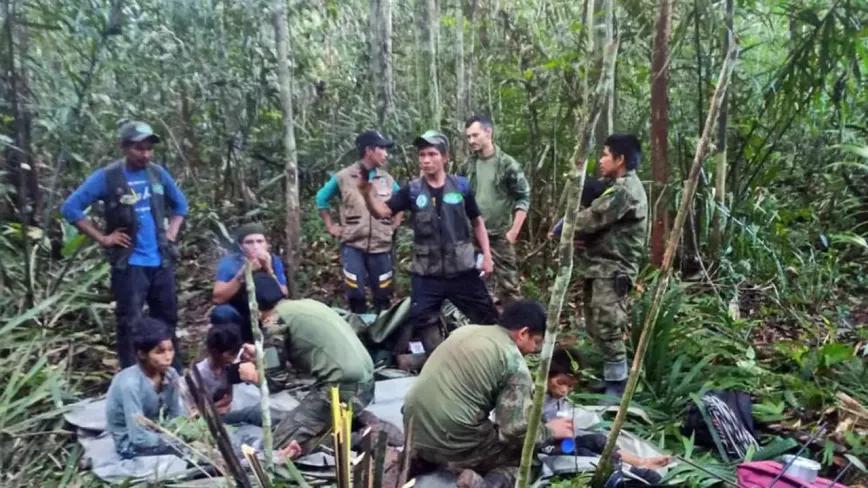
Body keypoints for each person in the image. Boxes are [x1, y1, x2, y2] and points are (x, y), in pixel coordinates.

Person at [402, 300, 575, 488]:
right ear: (523, 333)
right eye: (536, 342)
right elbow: (513, 431)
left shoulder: (465, 331)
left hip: (413, 428)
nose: (534, 350)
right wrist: (549, 431)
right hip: (452, 440)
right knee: (527, 461)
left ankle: (423, 459)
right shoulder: (514, 363)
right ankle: (486, 484)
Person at [359, 130, 499, 356]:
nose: (425, 160)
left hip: (462, 269)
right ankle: (439, 360)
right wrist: (366, 192)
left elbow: (477, 222)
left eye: (432, 154)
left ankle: (493, 358)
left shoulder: (461, 186)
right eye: (422, 155)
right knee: (422, 318)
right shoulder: (412, 191)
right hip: (427, 273)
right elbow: (383, 211)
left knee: (487, 316)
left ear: (444, 158)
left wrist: (487, 257)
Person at [61, 121, 188, 369]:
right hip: (129, 264)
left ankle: (173, 373)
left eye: (149, 149)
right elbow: (70, 208)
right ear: (124, 147)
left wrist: (171, 233)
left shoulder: (157, 174)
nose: (146, 154)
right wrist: (103, 238)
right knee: (130, 322)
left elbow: (180, 205)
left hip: (160, 260)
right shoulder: (108, 177)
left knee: (167, 318)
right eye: (139, 149)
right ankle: (133, 375)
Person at [572, 134, 648, 398]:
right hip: (600, 266)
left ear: (620, 159)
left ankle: (618, 387)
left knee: (608, 325)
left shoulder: (624, 190)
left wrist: (566, 225)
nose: (601, 160)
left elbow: (591, 218)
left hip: (614, 269)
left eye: (605, 155)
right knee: (595, 323)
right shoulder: (615, 185)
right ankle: (610, 377)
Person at [255, 297, 375, 459]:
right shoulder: (307, 304)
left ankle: (359, 440)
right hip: (366, 382)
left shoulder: (273, 320)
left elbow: (275, 381)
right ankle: (357, 427)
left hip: (341, 387)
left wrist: (254, 375)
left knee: (276, 447)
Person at [540, 348, 670, 478]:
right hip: (542, 446)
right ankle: (622, 473)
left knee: (598, 440)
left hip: (562, 442)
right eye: (561, 383)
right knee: (582, 453)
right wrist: (549, 431)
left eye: (570, 386)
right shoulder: (533, 398)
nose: (564, 390)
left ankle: (640, 462)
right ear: (546, 374)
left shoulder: (558, 399)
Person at [316, 130, 402, 313]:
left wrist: (394, 225)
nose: (386, 154)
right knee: (355, 292)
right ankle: (358, 328)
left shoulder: (387, 179)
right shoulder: (343, 177)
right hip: (353, 244)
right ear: (369, 150)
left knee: (383, 292)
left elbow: (400, 201)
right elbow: (321, 199)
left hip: (381, 246)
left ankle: (382, 332)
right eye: (382, 149)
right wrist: (330, 226)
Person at [462, 115, 531, 306]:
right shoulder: (468, 165)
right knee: (474, 285)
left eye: (475, 135)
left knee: (509, 286)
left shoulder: (507, 164)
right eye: (468, 137)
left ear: (488, 132)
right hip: (473, 235)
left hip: (500, 235)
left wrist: (513, 232)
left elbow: (523, 196)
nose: (471, 141)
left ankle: (516, 329)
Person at [105, 317, 184, 458]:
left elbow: (176, 414)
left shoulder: (171, 374)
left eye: (170, 350)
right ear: (142, 354)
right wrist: (174, 441)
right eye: (160, 352)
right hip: (131, 443)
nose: (168, 357)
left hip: (160, 432)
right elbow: (138, 437)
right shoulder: (130, 384)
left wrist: (182, 431)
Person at [211, 223, 288, 342]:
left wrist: (269, 270)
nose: (255, 246)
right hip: (240, 312)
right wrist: (242, 274)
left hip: (267, 313)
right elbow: (218, 298)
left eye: (259, 241)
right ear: (241, 246)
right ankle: (233, 350)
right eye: (249, 242)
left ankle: (273, 346)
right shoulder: (231, 262)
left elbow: (284, 293)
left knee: (281, 315)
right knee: (222, 313)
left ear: (267, 244)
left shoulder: (273, 260)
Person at [194, 324, 262, 425]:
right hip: (210, 420)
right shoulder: (199, 374)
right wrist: (215, 409)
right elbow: (195, 412)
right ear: (215, 352)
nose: (233, 359)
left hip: (226, 410)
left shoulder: (229, 367)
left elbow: (229, 398)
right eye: (230, 355)